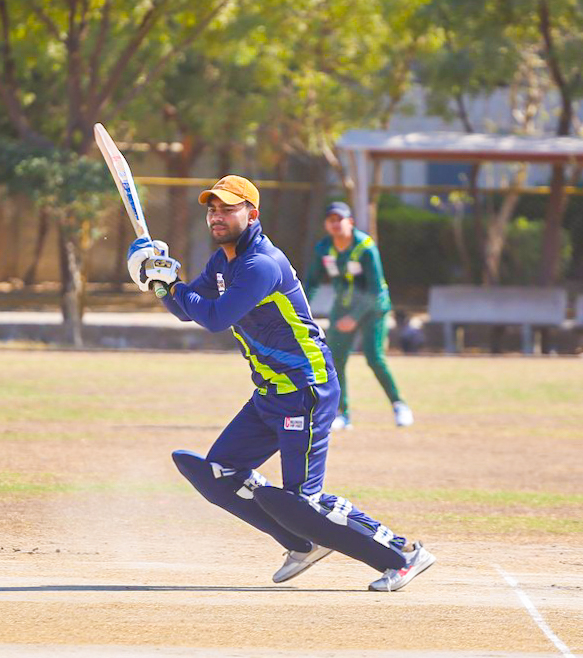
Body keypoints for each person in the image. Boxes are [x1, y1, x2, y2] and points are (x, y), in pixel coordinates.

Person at [125, 175, 434, 592]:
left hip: (306, 389)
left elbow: (215, 317)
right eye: (212, 209)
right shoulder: (223, 261)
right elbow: (187, 309)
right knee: (219, 474)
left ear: (252, 214)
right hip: (270, 392)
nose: (216, 216)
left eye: (228, 208)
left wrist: (170, 283)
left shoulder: (261, 264)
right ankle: (302, 544)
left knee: (304, 498)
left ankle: (402, 553)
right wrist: (158, 283)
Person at [302, 202, 413, 431]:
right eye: (331, 220)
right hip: (343, 308)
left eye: (339, 219)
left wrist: (354, 317)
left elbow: (375, 290)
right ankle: (342, 414)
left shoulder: (365, 247)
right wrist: (301, 308)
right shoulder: (324, 248)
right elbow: (312, 281)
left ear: (350, 222)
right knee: (335, 360)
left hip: (373, 308)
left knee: (374, 358)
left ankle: (399, 405)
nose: (335, 224)